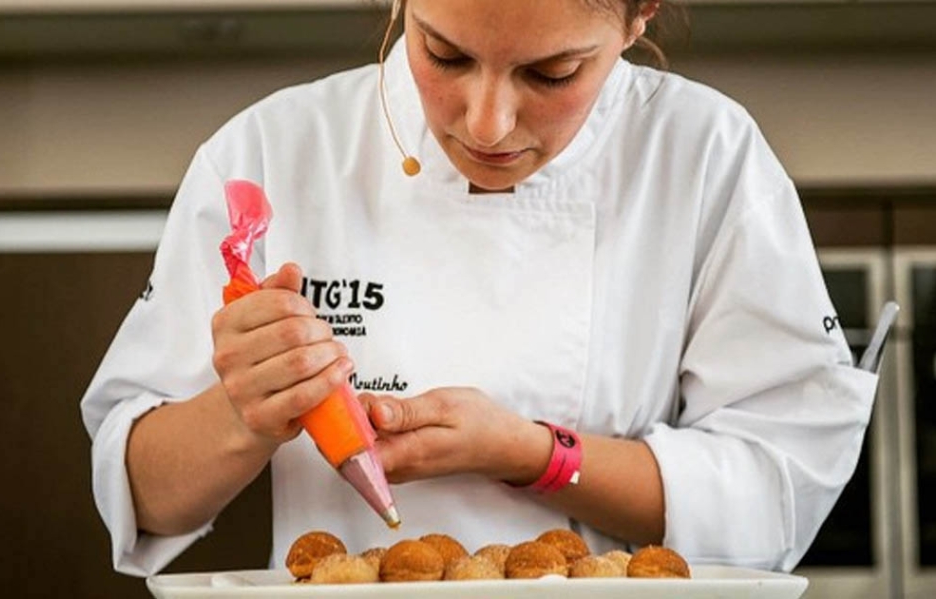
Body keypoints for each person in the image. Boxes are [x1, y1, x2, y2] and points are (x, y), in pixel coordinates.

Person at [80, 0, 879, 578]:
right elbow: (144, 495)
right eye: (445, 54)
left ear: (640, 18)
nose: (488, 122)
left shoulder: (704, 157)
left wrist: (534, 455)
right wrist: (243, 411)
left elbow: (776, 490)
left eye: (552, 71)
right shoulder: (272, 153)